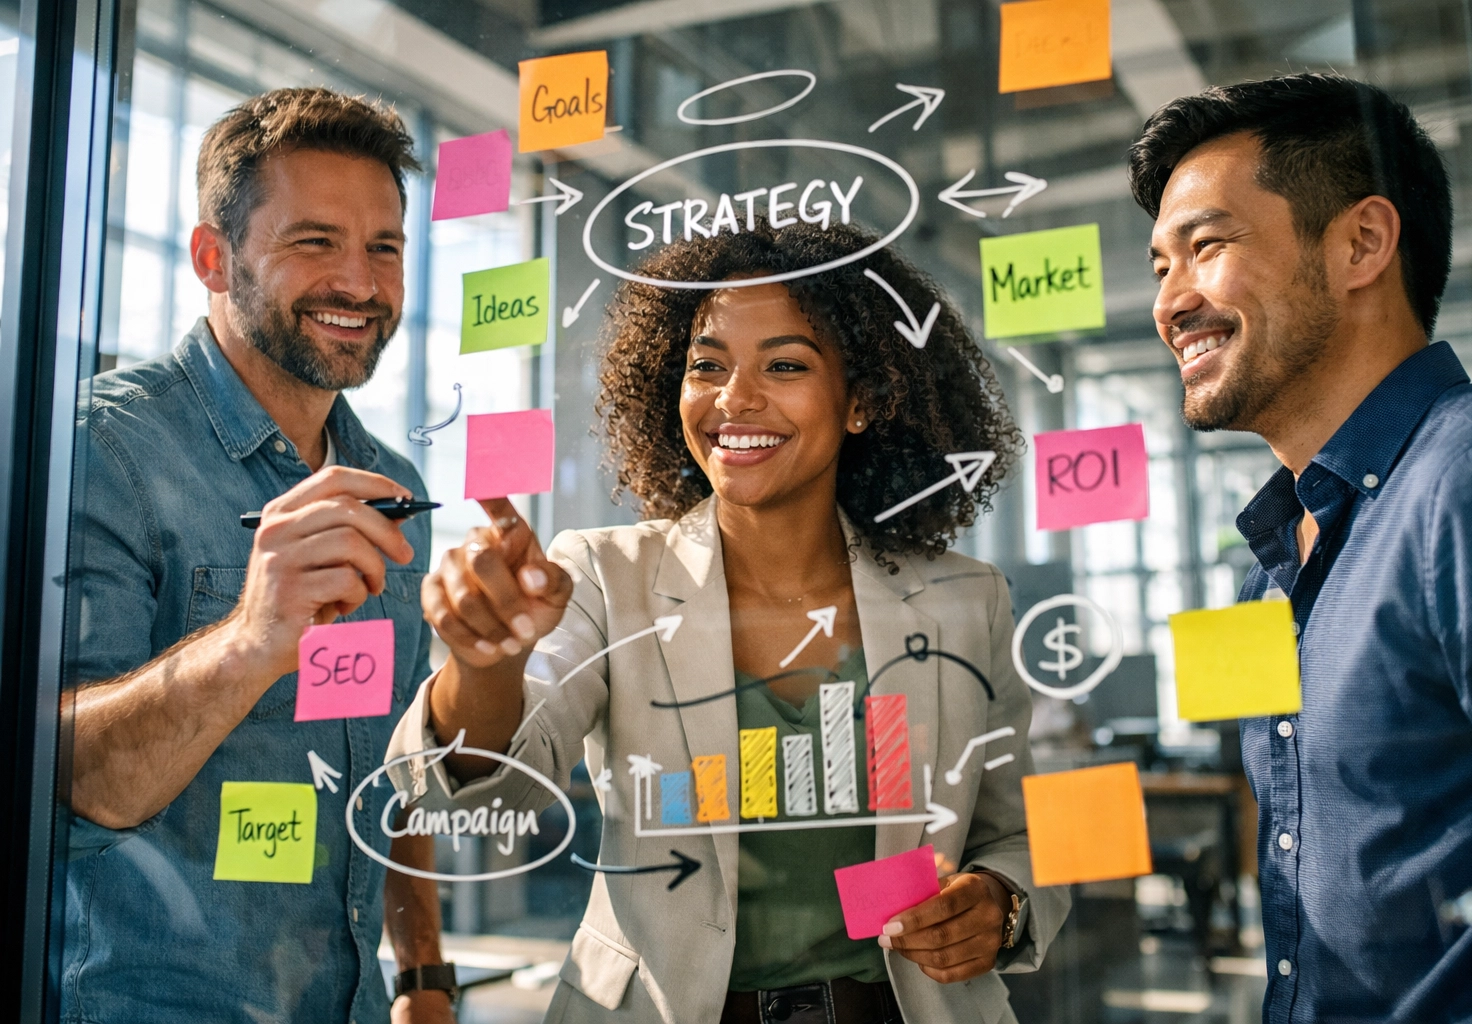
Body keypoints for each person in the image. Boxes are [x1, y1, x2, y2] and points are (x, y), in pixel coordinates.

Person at [386, 224, 1070, 1023]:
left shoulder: (965, 600)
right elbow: (476, 800)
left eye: (784, 365)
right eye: (706, 365)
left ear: (863, 401)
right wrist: (484, 665)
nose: (734, 398)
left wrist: (1002, 902)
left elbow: (1021, 835)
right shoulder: (608, 575)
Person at [1131, 73, 1472, 1022]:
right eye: (1159, 267)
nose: (1172, 301)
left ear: (1361, 244)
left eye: (1206, 247)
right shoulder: (1268, 562)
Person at [66, 88, 453, 1023]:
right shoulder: (98, 449)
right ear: (212, 257)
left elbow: (388, 777)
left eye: (384, 248)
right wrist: (251, 637)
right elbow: (80, 782)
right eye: (314, 241)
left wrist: (426, 976)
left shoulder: (388, 480)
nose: (359, 284)